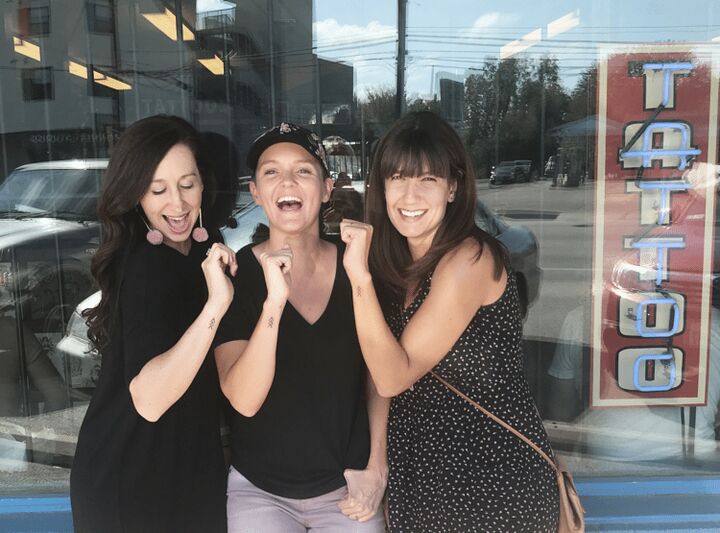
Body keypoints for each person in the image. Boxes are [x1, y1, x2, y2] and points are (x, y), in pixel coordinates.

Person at [340, 111, 560, 531]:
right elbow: (377, 368)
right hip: (421, 481)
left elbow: (392, 377)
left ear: (453, 187)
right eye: (398, 178)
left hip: (494, 486)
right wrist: (377, 465)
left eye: (428, 179)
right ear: (382, 186)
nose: (410, 195)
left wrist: (359, 277)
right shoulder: (397, 264)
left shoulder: (470, 259)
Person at [213, 122, 388, 532]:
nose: (287, 181)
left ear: (326, 188)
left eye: (303, 171)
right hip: (260, 490)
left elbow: (380, 376)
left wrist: (376, 467)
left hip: (348, 487)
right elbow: (244, 400)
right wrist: (274, 302)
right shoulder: (237, 275)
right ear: (256, 192)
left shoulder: (357, 265)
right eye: (271, 171)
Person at [71, 115, 236, 533]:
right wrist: (216, 305)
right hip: (131, 480)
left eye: (187, 184)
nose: (177, 205)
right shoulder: (143, 267)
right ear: (135, 195)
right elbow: (149, 399)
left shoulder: (203, 246)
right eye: (157, 190)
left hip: (188, 466)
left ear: (204, 182)